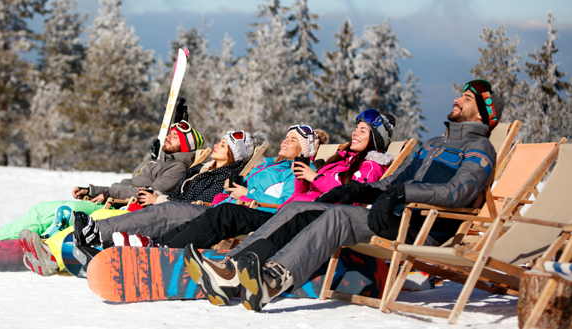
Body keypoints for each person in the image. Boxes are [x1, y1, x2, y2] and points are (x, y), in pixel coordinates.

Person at [186, 79, 504, 312]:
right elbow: (393, 180)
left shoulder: (480, 149)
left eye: (466, 97)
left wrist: (402, 193)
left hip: (424, 226)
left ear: (483, 113)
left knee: (338, 216)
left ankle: (271, 280)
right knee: (299, 205)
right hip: (392, 216)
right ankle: (232, 270)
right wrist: (359, 188)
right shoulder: (433, 144)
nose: (457, 100)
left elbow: (458, 192)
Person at [128, 109, 394, 257]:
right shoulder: (333, 162)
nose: (354, 132)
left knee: (224, 213)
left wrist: (251, 193)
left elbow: (352, 194)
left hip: (287, 215)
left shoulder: (367, 166)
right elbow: (299, 196)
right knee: (218, 211)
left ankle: (166, 251)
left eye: (362, 130)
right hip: (289, 212)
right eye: (355, 127)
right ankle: (160, 245)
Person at [0, 120, 203, 268]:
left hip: (121, 211)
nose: (167, 137)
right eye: (168, 133)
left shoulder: (177, 167)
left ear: (186, 143)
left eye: (174, 136)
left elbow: (145, 195)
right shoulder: (160, 163)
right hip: (112, 203)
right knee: (43, 212)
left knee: (53, 215)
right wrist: (100, 194)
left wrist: (101, 191)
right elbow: (133, 183)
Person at [72, 125, 325, 264]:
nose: (285, 141)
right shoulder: (267, 164)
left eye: (293, 140)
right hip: (225, 206)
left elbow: (287, 205)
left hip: (248, 212)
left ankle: (154, 247)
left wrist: (247, 194)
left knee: (168, 209)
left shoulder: (298, 172)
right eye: (287, 137)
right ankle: (100, 234)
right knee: (165, 210)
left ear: (305, 149)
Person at [20, 131, 255, 276]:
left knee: (148, 216)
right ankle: (66, 250)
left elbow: (205, 202)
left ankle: (62, 250)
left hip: (193, 214)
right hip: (173, 207)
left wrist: (160, 199)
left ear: (234, 155)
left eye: (223, 145)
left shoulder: (228, 175)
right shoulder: (200, 169)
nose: (217, 145)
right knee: (127, 222)